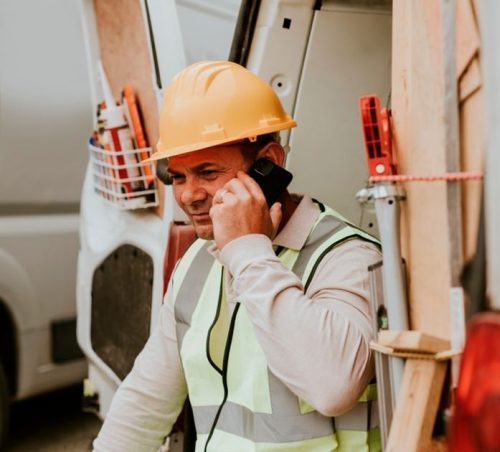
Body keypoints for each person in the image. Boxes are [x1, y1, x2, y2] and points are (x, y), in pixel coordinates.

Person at [94, 61, 382, 451]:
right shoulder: (197, 262)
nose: (188, 195)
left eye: (207, 172)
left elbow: (332, 385)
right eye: (178, 176)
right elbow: (145, 403)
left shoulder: (349, 257)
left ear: (270, 163)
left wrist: (249, 251)